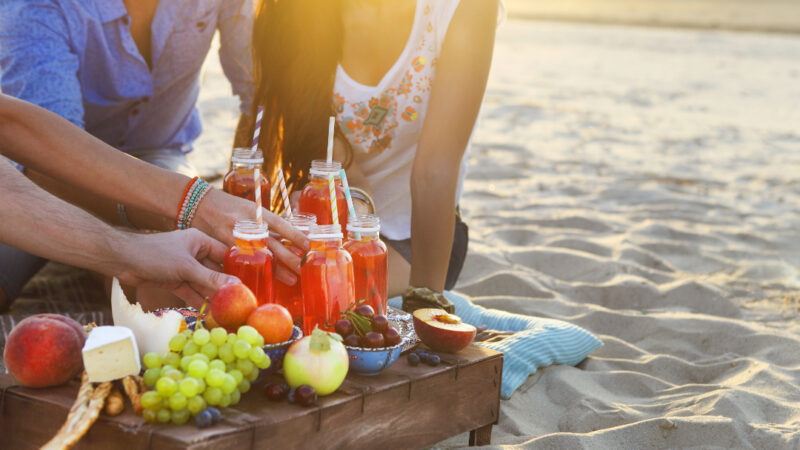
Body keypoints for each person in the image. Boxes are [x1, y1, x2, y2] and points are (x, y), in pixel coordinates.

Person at [0, 0, 257, 305]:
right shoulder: (29, 6)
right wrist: (186, 208)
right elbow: (42, 159)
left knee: (185, 274)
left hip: (158, 156)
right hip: (38, 175)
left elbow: (263, 96)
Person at [252, 0, 499, 295]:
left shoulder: (466, 7)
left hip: (417, 239)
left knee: (324, 298)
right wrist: (354, 209)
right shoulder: (298, 14)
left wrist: (427, 303)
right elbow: (340, 165)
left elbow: (434, 172)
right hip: (333, 225)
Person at [0, 94, 308, 311]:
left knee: (164, 262)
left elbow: (9, 122)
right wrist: (189, 207)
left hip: (141, 164)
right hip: (41, 176)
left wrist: (197, 203)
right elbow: (29, 160)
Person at [0, 159, 238, 309]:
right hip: (47, 171)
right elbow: (44, 157)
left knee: (169, 257)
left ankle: (160, 344)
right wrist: (192, 206)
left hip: (155, 159)